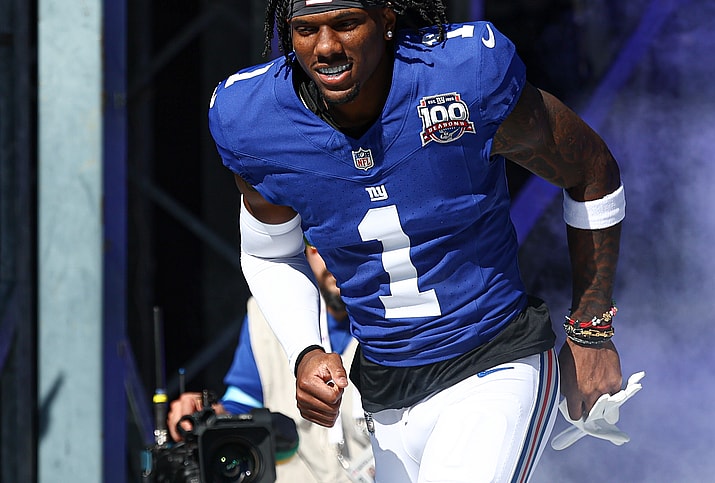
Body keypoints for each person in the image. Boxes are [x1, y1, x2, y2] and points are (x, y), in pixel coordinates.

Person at [207, 0, 625, 481]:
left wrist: (591, 331)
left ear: (386, 19)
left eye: (345, 24)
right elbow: (269, 251)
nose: (325, 47)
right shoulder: (256, 120)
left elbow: (592, 170)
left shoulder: (461, 75)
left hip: (490, 363)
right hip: (384, 395)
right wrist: (306, 349)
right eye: (305, 29)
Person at [167, 246, 375, 482]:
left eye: (345, 244)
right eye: (319, 247)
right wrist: (206, 414)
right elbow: (243, 401)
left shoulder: (399, 311)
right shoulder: (267, 312)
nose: (334, 257)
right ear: (305, 251)